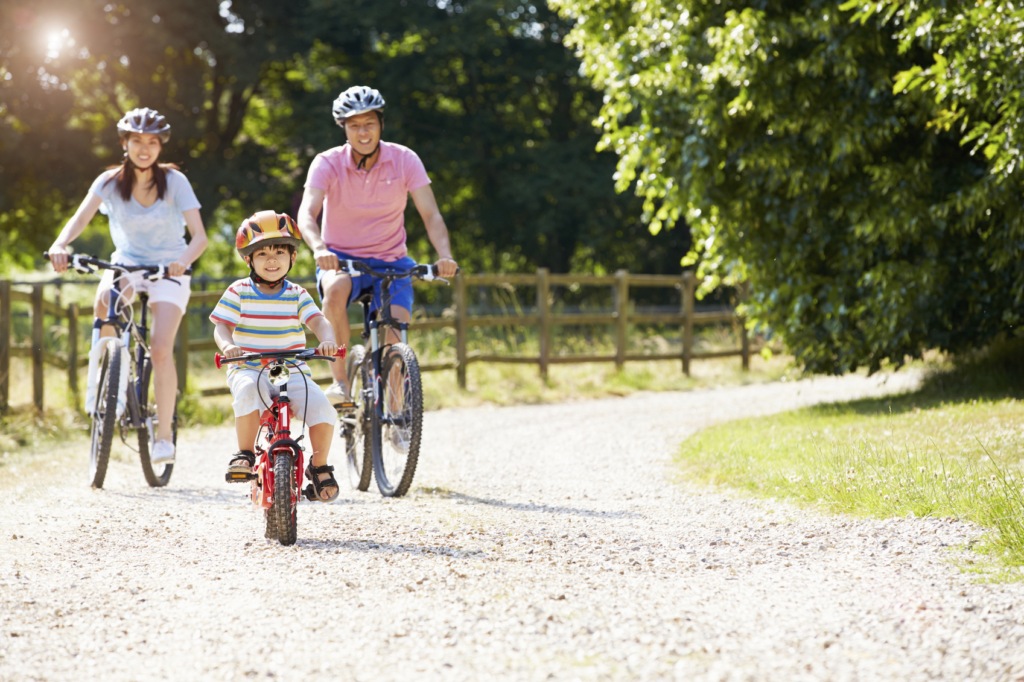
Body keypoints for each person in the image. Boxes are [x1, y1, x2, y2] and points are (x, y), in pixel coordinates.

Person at [48, 107, 208, 466]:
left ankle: (164, 436)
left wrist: (183, 260)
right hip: (128, 263)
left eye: (152, 142)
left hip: (170, 267)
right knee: (105, 299)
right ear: (125, 143)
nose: (144, 148)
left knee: (161, 348)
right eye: (137, 141)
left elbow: (200, 237)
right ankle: (109, 388)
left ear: (160, 146)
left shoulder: (175, 182)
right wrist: (61, 244)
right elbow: (79, 219)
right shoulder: (108, 182)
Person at [296, 85, 459, 405]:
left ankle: (396, 408)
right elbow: (306, 213)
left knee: (396, 327)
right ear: (343, 128)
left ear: (381, 124)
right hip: (340, 259)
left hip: (392, 260)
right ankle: (340, 381)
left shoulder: (404, 160)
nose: (363, 132)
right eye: (354, 125)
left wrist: (445, 255)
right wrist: (319, 248)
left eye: (369, 123)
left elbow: (431, 214)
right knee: (336, 289)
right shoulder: (327, 163)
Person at [210, 210, 341, 502]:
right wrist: (228, 346)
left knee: (322, 407)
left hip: (291, 368)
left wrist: (328, 340)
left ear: (292, 257)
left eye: (280, 252)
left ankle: (319, 466)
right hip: (249, 366)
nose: (272, 260)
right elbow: (221, 325)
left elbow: (318, 321)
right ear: (249, 260)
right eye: (263, 253)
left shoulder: (297, 293)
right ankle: (244, 453)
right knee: (245, 391)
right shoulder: (239, 291)